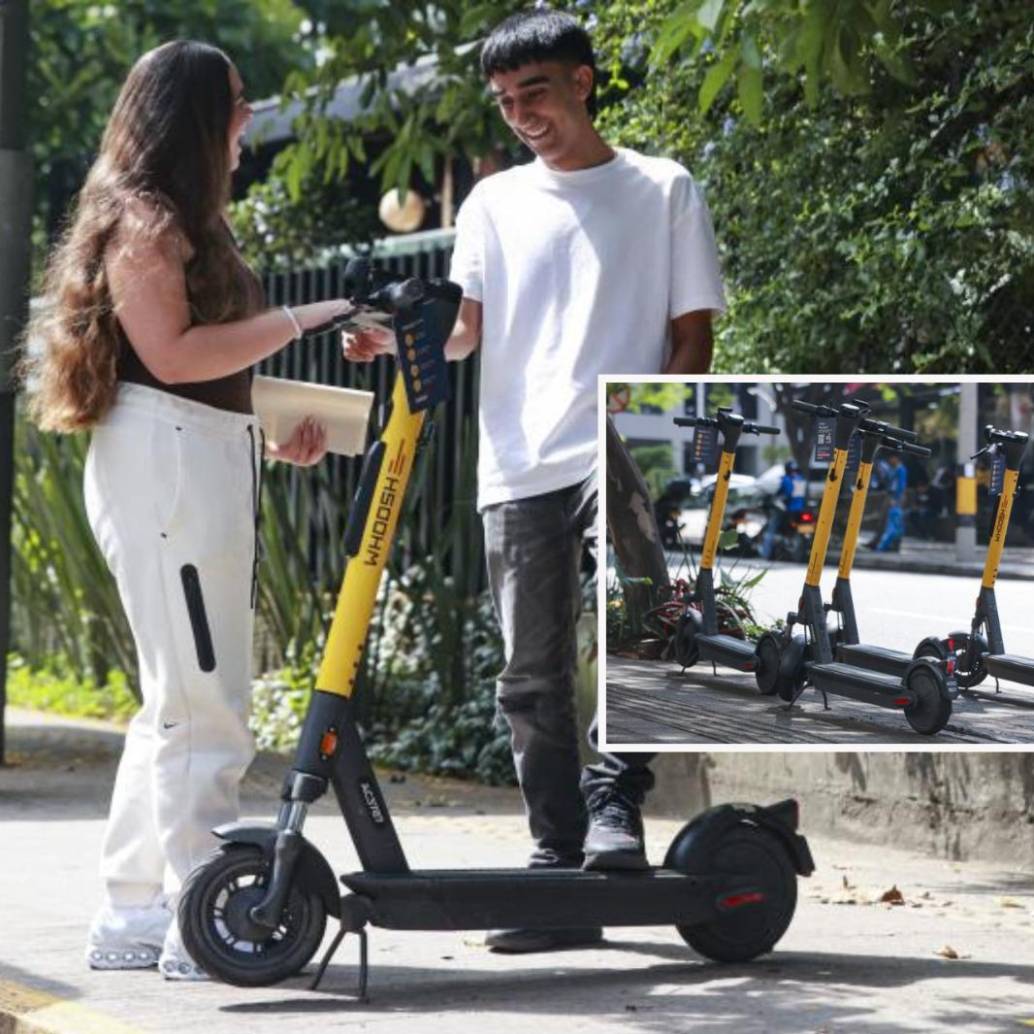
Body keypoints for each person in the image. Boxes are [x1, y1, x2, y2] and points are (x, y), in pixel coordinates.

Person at [344, 7, 726, 952]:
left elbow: (693, 335)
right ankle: (559, 868)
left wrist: (649, 431)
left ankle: (614, 808)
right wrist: (398, 337)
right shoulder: (491, 205)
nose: (521, 114)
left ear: (584, 82)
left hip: (617, 445)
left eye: (538, 93)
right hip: (514, 460)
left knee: (631, 632)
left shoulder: (662, 188)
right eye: (506, 101)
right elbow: (466, 328)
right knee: (528, 671)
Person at [20, 40, 352, 980]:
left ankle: (137, 912)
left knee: (175, 702)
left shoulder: (175, 221)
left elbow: (193, 369)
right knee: (205, 706)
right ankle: (201, 920)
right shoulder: (148, 222)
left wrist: (271, 418)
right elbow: (171, 356)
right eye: (238, 105)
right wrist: (308, 315)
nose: (248, 121)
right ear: (197, 117)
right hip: (166, 467)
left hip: (184, 457)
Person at [760, 460, 807, 559]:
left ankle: (766, 554)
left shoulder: (785, 479)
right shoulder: (801, 479)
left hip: (788, 510)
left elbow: (784, 493)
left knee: (771, 529)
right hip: (801, 509)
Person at [872, 453, 908, 552]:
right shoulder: (894, 469)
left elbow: (900, 485)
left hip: (895, 498)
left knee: (893, 522)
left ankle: (890, 545)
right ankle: (878, 542)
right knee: (886, 521)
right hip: (891, 496)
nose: (890, 460)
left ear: (896, 458)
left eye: (892, 458)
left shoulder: (901, 469)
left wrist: (896, 499)